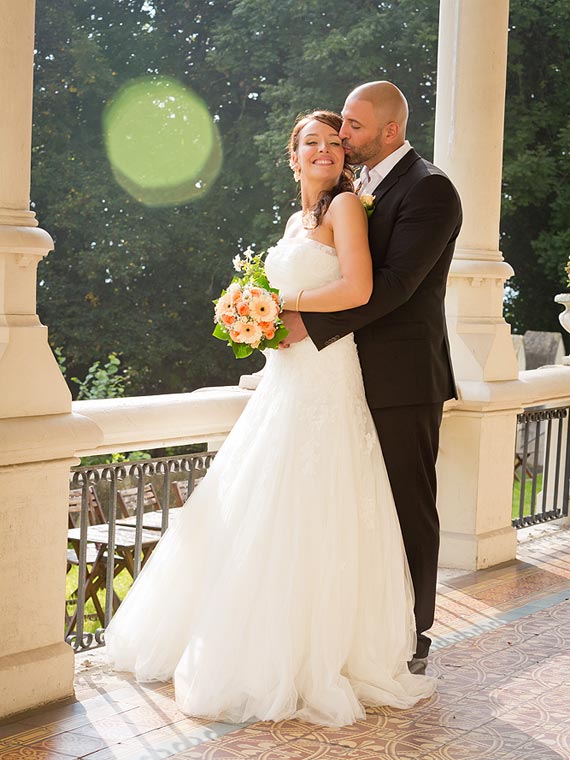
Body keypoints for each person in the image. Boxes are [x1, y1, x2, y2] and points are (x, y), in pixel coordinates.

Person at [105, 109, 436, 727]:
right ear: (293, 156)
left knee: (315, 501)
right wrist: (252, 316)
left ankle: (315, 652)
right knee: (258, 504)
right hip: (285, 379)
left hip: (327, 374)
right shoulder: (295, 220)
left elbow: (360, 289)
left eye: (337, 144)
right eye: (313, 143)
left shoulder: (346, 210)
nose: (326, 152)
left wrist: (279, 303)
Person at [282, 82, 463, 675]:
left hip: (404, 376)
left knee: (407, 506)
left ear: (389, 130)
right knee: (363, 511)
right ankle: (364, 626)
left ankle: (414, 633)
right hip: (348, 376)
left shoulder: (430, 189)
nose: (343, 137)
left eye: (353, 128)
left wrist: (306, 322)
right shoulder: (354, 189)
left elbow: (397, 285)